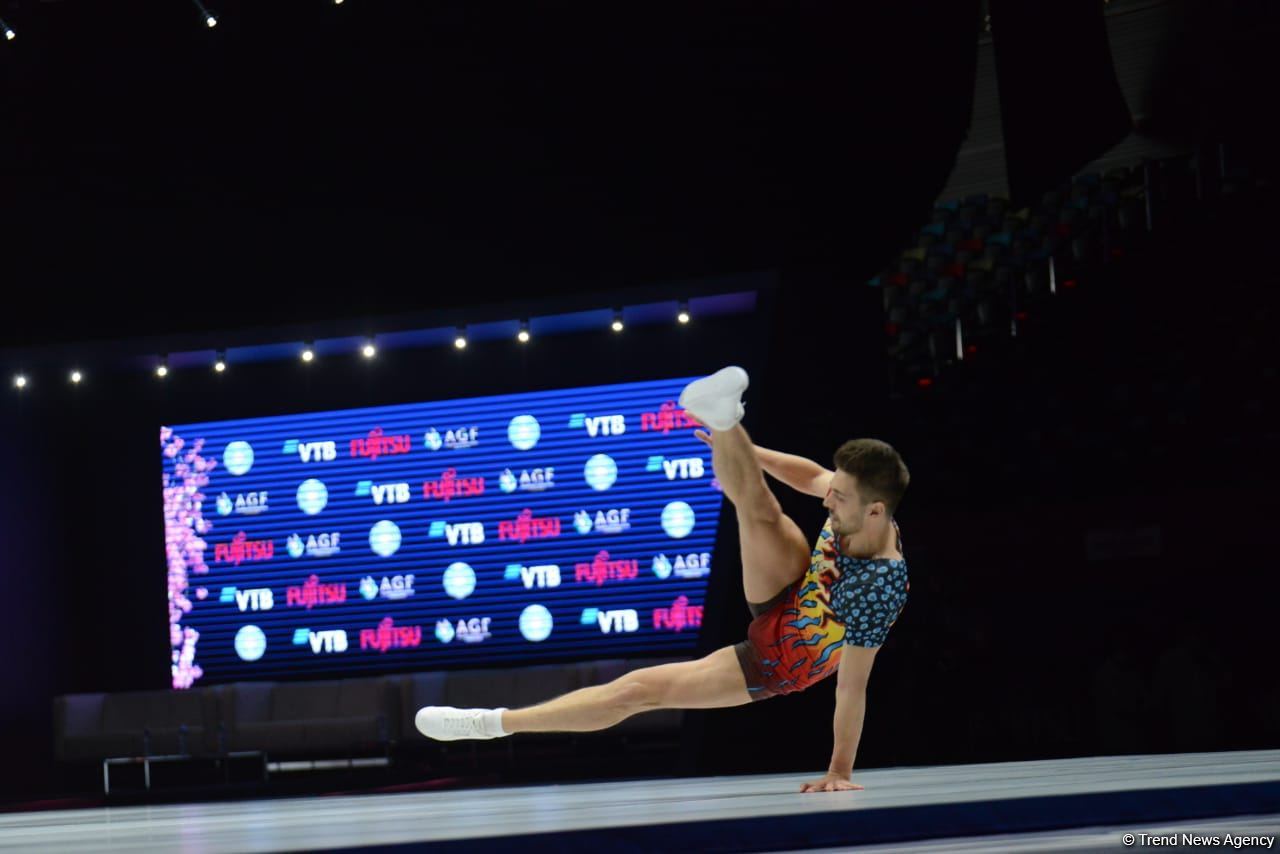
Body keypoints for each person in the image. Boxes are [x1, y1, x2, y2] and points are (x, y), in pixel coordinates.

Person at [415, 366, 911, 793]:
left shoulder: (877, 590)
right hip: (792, 587)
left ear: (875, 511)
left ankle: (488, 724)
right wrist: (747, 449)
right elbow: (810, 477)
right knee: (760, 511)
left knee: (636, 691)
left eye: (839, 498)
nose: (828, 499)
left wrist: (838, 771)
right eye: (835, 488)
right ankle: (723, 417)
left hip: (780, 660)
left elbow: (852, 688)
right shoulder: (852, 501)